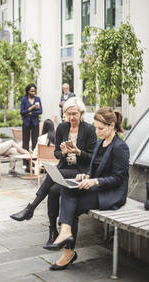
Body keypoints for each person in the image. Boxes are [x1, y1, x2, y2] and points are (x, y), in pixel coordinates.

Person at [46, 107, 130, 271]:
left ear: (112, 125)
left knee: (71, 203)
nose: (97, 132)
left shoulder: (120, 147)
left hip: (111, 193)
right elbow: (94, 168)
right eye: (96, 127)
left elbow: (118, 179)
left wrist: (95, 182)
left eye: (101, 128)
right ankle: (66, 232)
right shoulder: (100, 142)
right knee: (67, 187)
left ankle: (67, 246)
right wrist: (85, 176)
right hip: (98, 188)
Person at [10, 97, 97, 248]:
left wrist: (77, 151)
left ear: (81, 113)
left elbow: (92, 158)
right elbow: (56, 153)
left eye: (75, 114)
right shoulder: (63, 128)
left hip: (81, 172)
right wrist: (62, 153)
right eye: (69, 114)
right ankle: (53, 232)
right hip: (65, 169)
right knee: (53, 190)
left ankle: (30, 208)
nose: (72, 117)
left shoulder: (89, 130)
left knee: (52, 174)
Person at [20, 83, 43, 172]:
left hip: (35, 123)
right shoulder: (24, 99)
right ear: (28, 91)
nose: (33, 92)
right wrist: (32, 107)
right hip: (26, 123)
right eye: (31, 91)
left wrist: (30, 113)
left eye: (34, 91)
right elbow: (22, 112)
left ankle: (34, 163)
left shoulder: (38, 99)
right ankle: (25, 164)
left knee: (34, 142)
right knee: (25, 143)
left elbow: (40, 111)